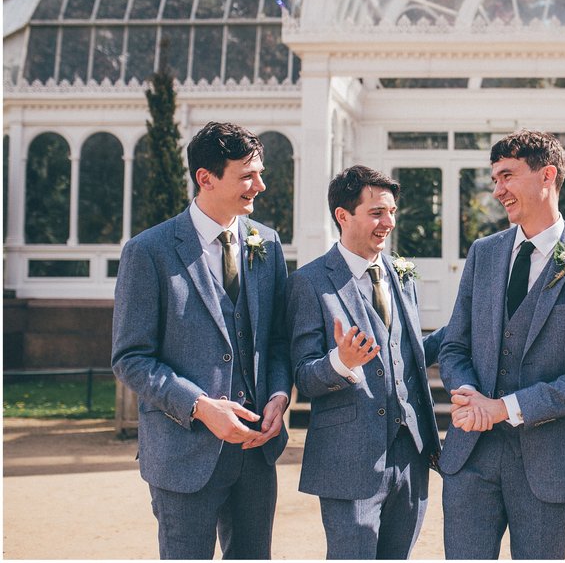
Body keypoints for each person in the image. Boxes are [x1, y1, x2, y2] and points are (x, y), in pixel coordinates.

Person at [437, 129, 565, 559]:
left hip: (550, 465)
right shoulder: (483, 253)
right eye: (495, 179)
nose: (497, 190)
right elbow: (454, 346)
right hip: (471, 458)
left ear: (547, 176)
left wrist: (505, 408)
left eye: (507, 176)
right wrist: (468, 395)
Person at [111, 122, 291, 559]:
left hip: (255, 451)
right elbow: (130, 358)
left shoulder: (266, 242)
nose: (260, 185)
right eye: (247, 176)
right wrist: (199, 406)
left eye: (260, 173)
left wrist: (280, 395)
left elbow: (279, 339)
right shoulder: (148, 251)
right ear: (205, 178)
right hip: (182, 455)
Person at [286, 165, 445, 560]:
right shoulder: (308, 282)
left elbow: (409, 355)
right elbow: (303, 377)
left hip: (410, 455)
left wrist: (464, 328)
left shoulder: (402, 277)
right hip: (347, 461)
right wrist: (339, 362)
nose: (388, 222)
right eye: (376, 213)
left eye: (391, 212)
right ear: (343, 216)